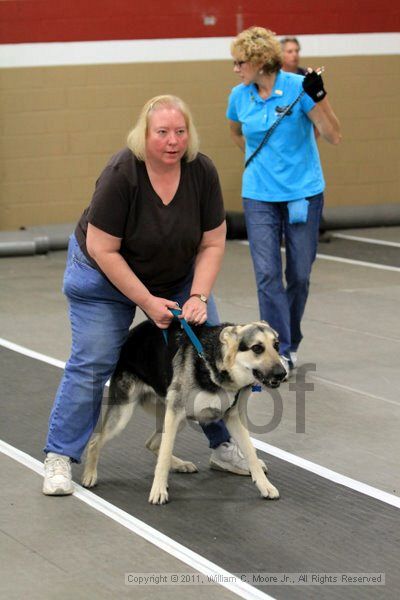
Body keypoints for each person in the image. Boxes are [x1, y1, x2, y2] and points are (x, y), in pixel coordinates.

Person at [43, 95, 257, 495]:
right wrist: (145, 301)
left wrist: (198, 295)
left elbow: (212, 243)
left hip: (174, 273)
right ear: (145, 135)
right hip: (103, 277)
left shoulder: (202, 171)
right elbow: (102, 249)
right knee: (95, 359)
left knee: (211, 350)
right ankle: (59, 457)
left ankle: (222, 446)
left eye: (180, 131)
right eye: (162, 132)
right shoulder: (121, 173)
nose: (172, 140)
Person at [226, 27, 341, 375]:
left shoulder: (297, 88)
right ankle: (282, 348)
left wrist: (318, 96)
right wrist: (262, 165)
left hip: (302, 194)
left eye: (240, 62)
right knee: (267, 274)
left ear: (260, 62)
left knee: (300, 274)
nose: (235, 69)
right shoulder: (239, 95)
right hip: (259, 196)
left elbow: (333, 135)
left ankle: (288, 335)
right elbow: (235, 132)